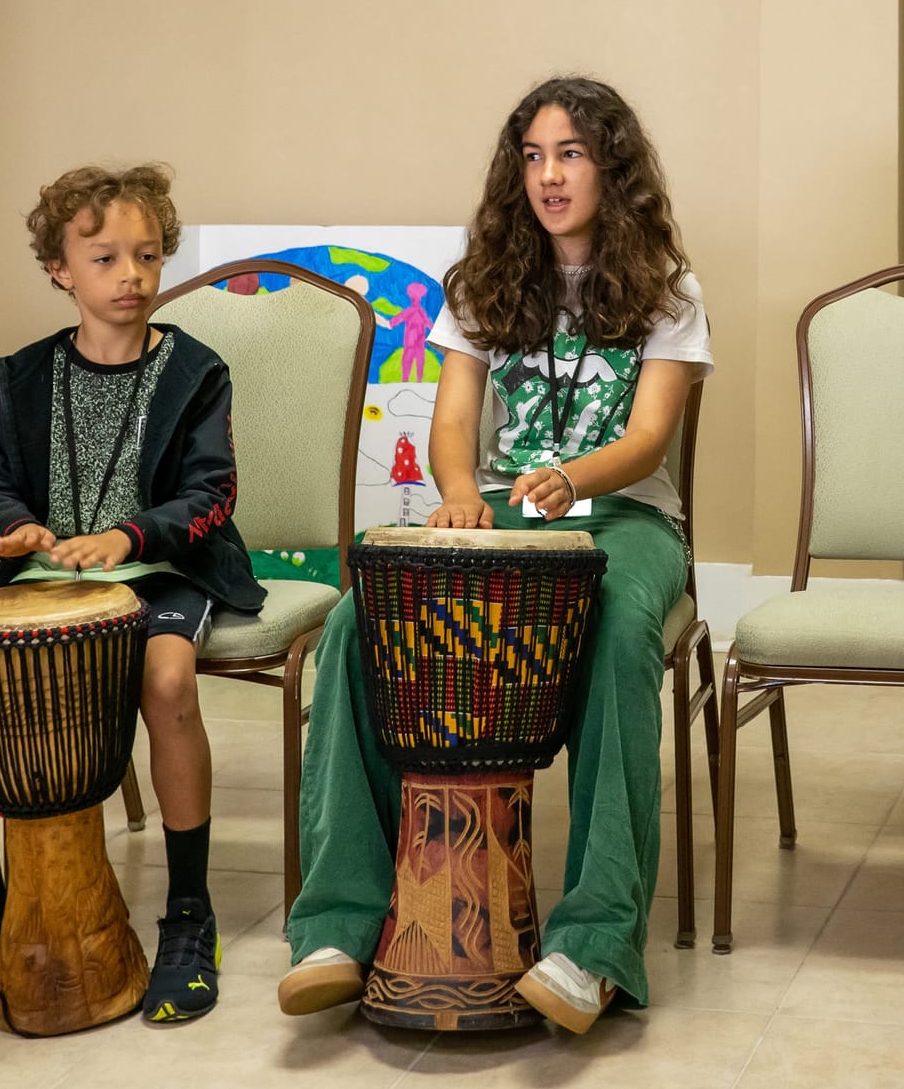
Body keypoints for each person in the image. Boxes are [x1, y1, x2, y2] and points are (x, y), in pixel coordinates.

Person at [278, 76, 712, 1034]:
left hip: (624, 521)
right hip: (506, 518)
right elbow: (456, 423)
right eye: (532, 156)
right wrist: (463, 494)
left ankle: (592, 945)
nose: (548, 176)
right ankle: (341, 924)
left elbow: (648, 441)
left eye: (570, 154)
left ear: (613, 167)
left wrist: (573, 477)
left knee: (620, 632)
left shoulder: (668, 289)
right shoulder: (482, 278)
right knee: (359, 624)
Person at [0, 164, 263, 1024]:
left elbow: (210, 495)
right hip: (49, 580)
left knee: (168, 681)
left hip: (167, 568)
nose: (131, 276)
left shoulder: (195, 370)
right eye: (105, 258)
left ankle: (189, 913)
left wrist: (127, 537)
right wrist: (16, 529)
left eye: (147, 256)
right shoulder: (27, 377)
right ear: (60, 270)